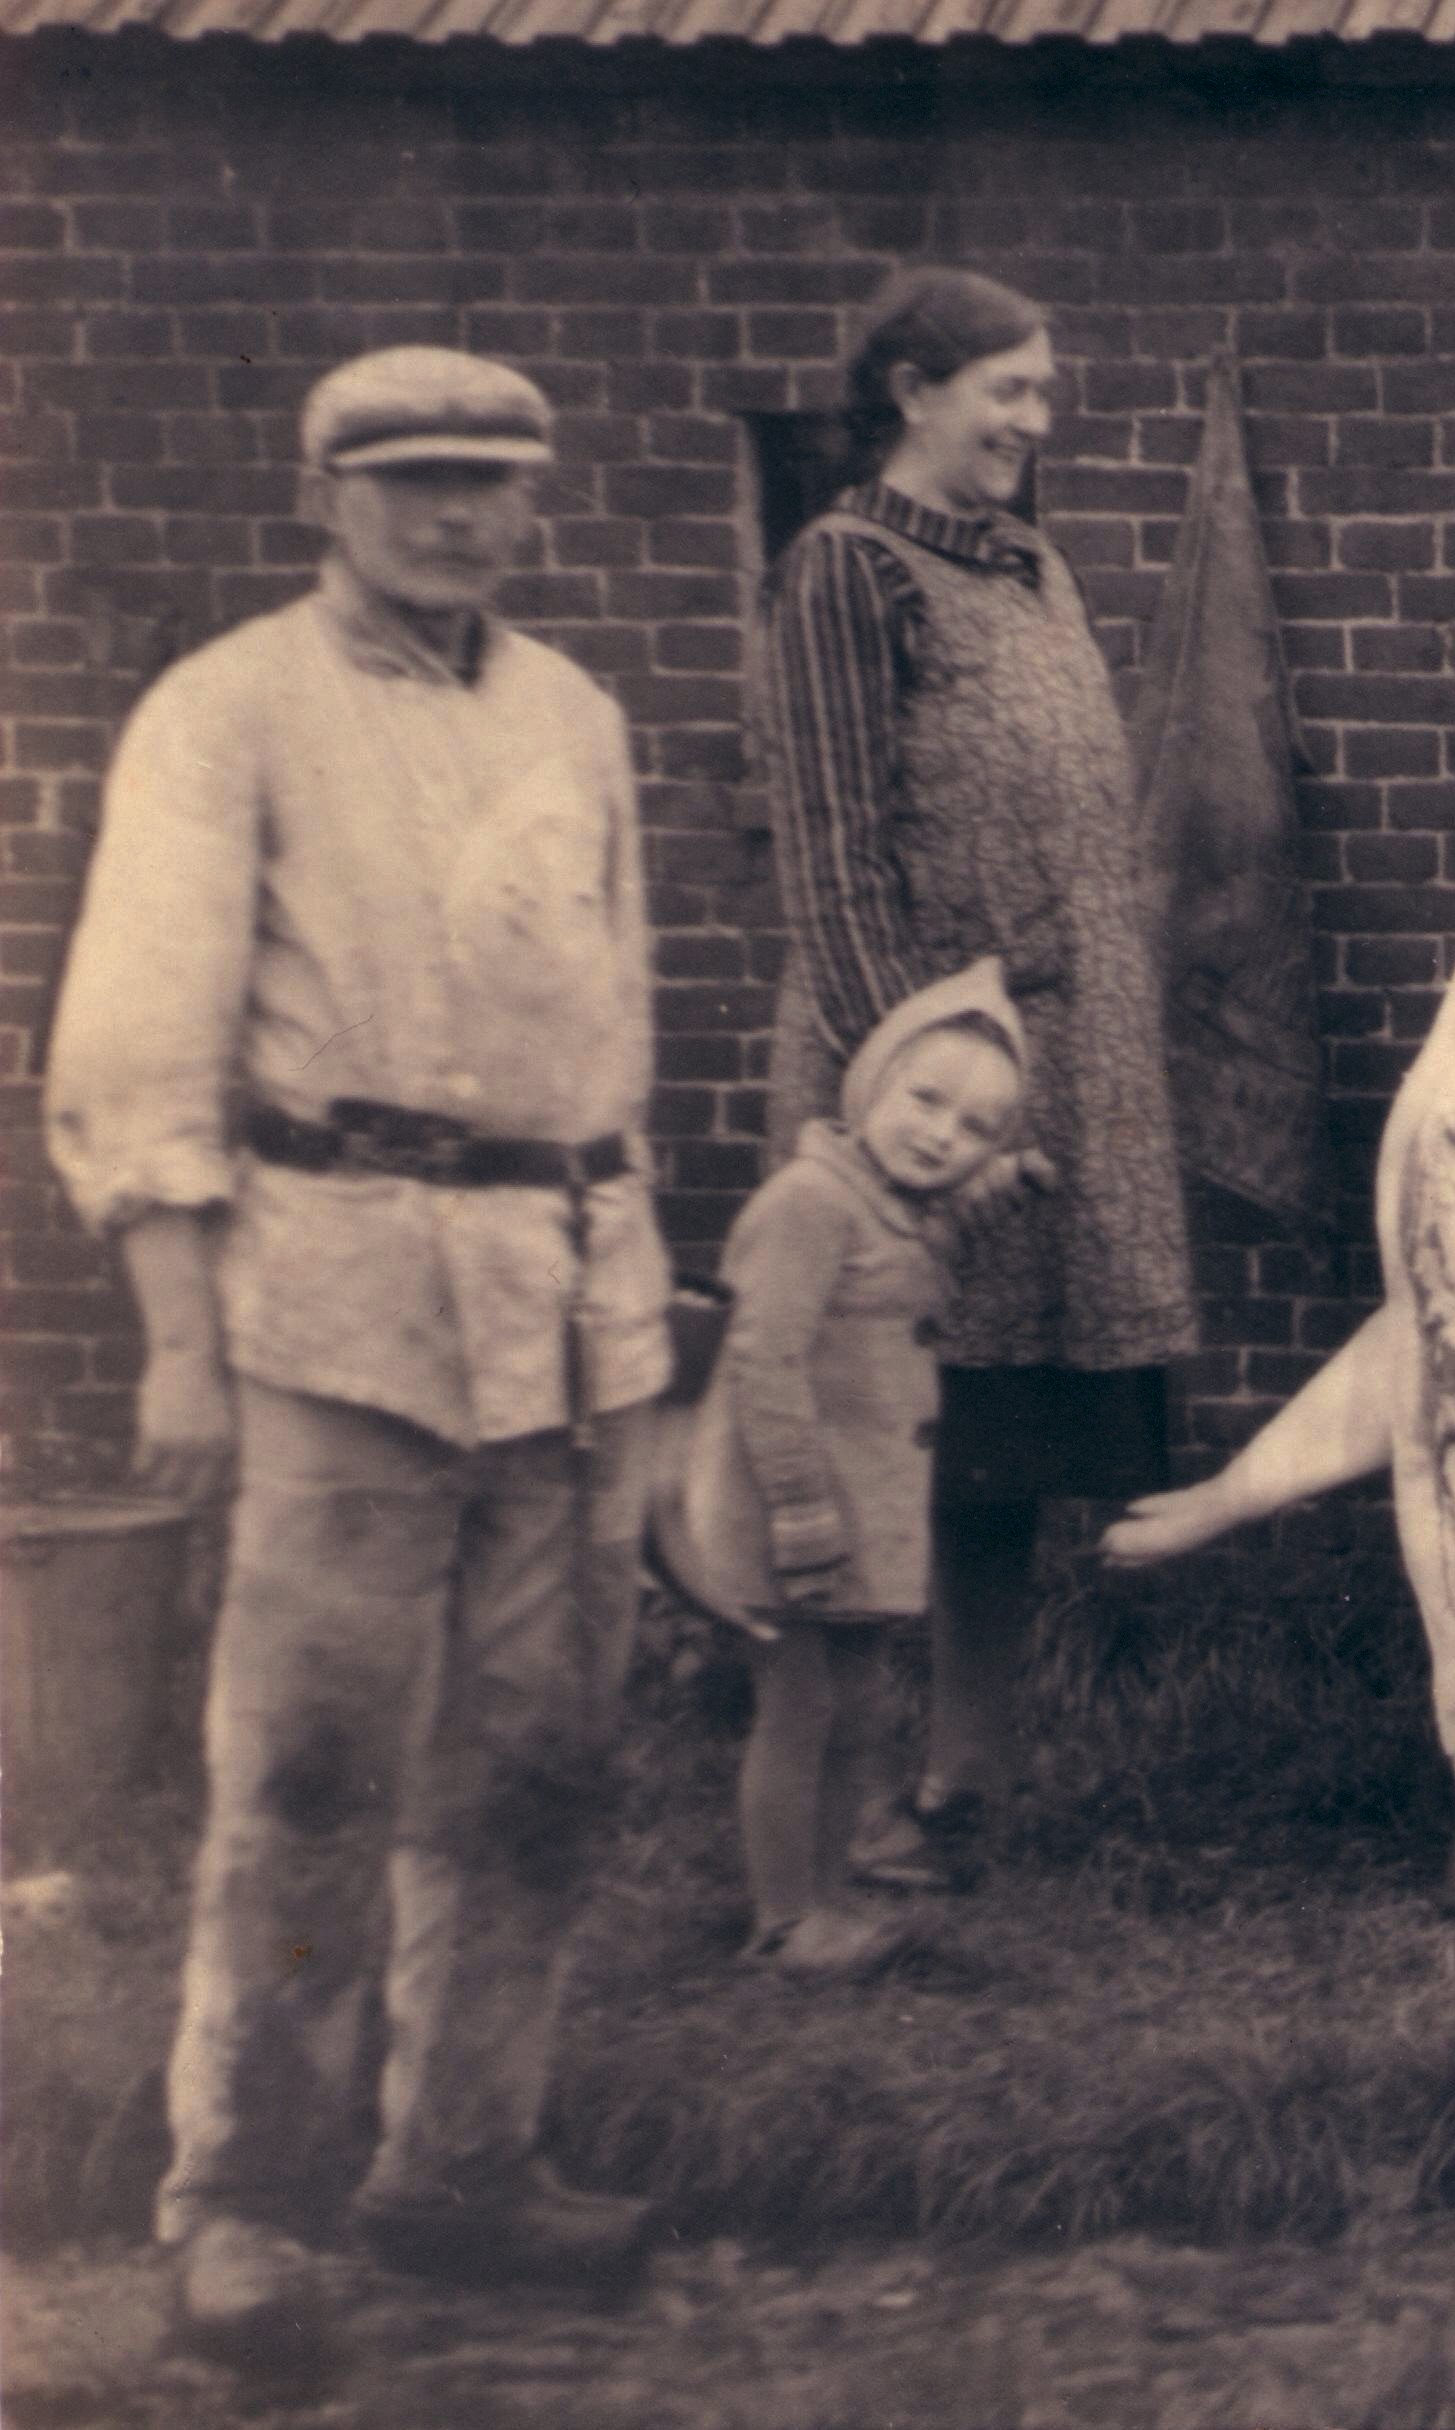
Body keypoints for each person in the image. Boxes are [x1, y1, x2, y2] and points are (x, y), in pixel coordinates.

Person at [44, 347, 673, 2364]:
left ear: (534, 499)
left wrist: (640, 1309)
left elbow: (615, 1033)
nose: (454, 518)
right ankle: (245, 2200)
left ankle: (460, 2166)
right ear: (329, 497)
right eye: (410, 484)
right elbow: (141, 1046)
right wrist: (177, 1348)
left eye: (490, 482)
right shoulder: (230, 710)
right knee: (311, 1770)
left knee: (543, 1769)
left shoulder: (572, 713)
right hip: (335, 1303)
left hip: (568, 1309)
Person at [753, 267, 1198, 1891]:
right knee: (892, 1424)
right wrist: (916, 1120)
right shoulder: (844, 574)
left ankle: (961, 1789)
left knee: (998, 1445)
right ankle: (847, 1806)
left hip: (1060, 1073)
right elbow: (834, 864)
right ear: (910, 393)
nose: (1033, 419)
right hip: (919, 1088)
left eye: (1041, 388)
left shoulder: (1031, 564)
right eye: (1002, 389)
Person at [672, 962, 1031, 1981]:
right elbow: (760, 1358)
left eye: (975, 1129)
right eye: (925, 1100)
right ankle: (784, 1919)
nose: (940, 1135)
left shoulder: (894, 1206)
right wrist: (796, 1508)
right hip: (796, 1507)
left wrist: (1001, 1190)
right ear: (870, 1083)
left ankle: (830, 1900)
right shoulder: (809, 1202)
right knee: (800, 1710)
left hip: (863, 1514)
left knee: (859, 1713)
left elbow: (926, 1243)